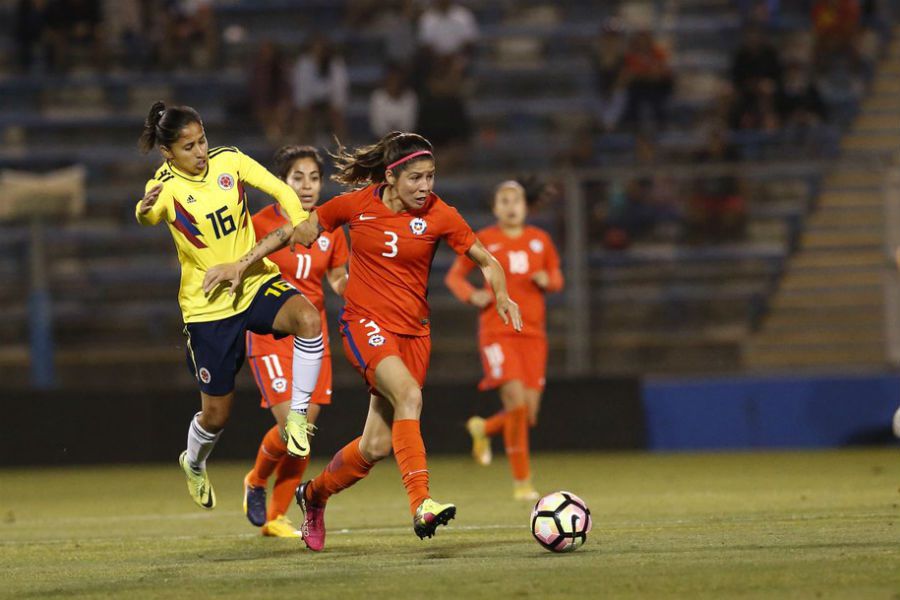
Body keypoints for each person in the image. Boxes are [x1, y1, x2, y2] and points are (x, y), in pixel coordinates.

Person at [289, 131, 523, 551]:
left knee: (375, 446)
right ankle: (422, 504)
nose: (425, 187)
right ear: (392, 176)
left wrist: (502, 294)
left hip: (414, 333)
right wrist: (290, 236)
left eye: (431, 176)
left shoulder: (439, 214)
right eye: (415, 178)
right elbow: (311, 224)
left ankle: (313, 496)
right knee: (410, 397)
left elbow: (486, 259)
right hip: (365, 325)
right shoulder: (356, 205)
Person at [135, 102, 324, 513]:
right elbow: (148, 215)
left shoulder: (230, 161)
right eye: (189, 147)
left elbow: (278, 188)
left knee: (308, 318)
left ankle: (296, 417)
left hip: (253, 282)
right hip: (208, 308)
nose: (200, 151)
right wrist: (143, 209)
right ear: (169, 153)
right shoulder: (166, 187)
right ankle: (194, 462)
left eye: (202, 141)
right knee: (216, 416)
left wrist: (298, 217)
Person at [242, 146, 349, 538]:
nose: (306, 186)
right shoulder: (258, 224)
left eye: (314, 178)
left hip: (313, 336)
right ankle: (255, 480)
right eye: (297, 177)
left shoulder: (330, 228)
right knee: (291, 426)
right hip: (270, 333)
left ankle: (276, 517)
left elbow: (336, 277)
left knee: (302, 436)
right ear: (281, 184)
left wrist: (351, 287)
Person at [444, 180, 564, 501]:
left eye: (516, 200)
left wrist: (547, 280)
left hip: (533, 334)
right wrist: (474, 295)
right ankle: (523, 483)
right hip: (497, 332)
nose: (511, 206)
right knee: (516, 403)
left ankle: (483, 427)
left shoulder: (541, 241)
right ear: (495, 207)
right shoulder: (485, 240)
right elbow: (455, 277)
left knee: (528, 413)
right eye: (504, 200)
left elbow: (557, 277)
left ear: (526, 207)